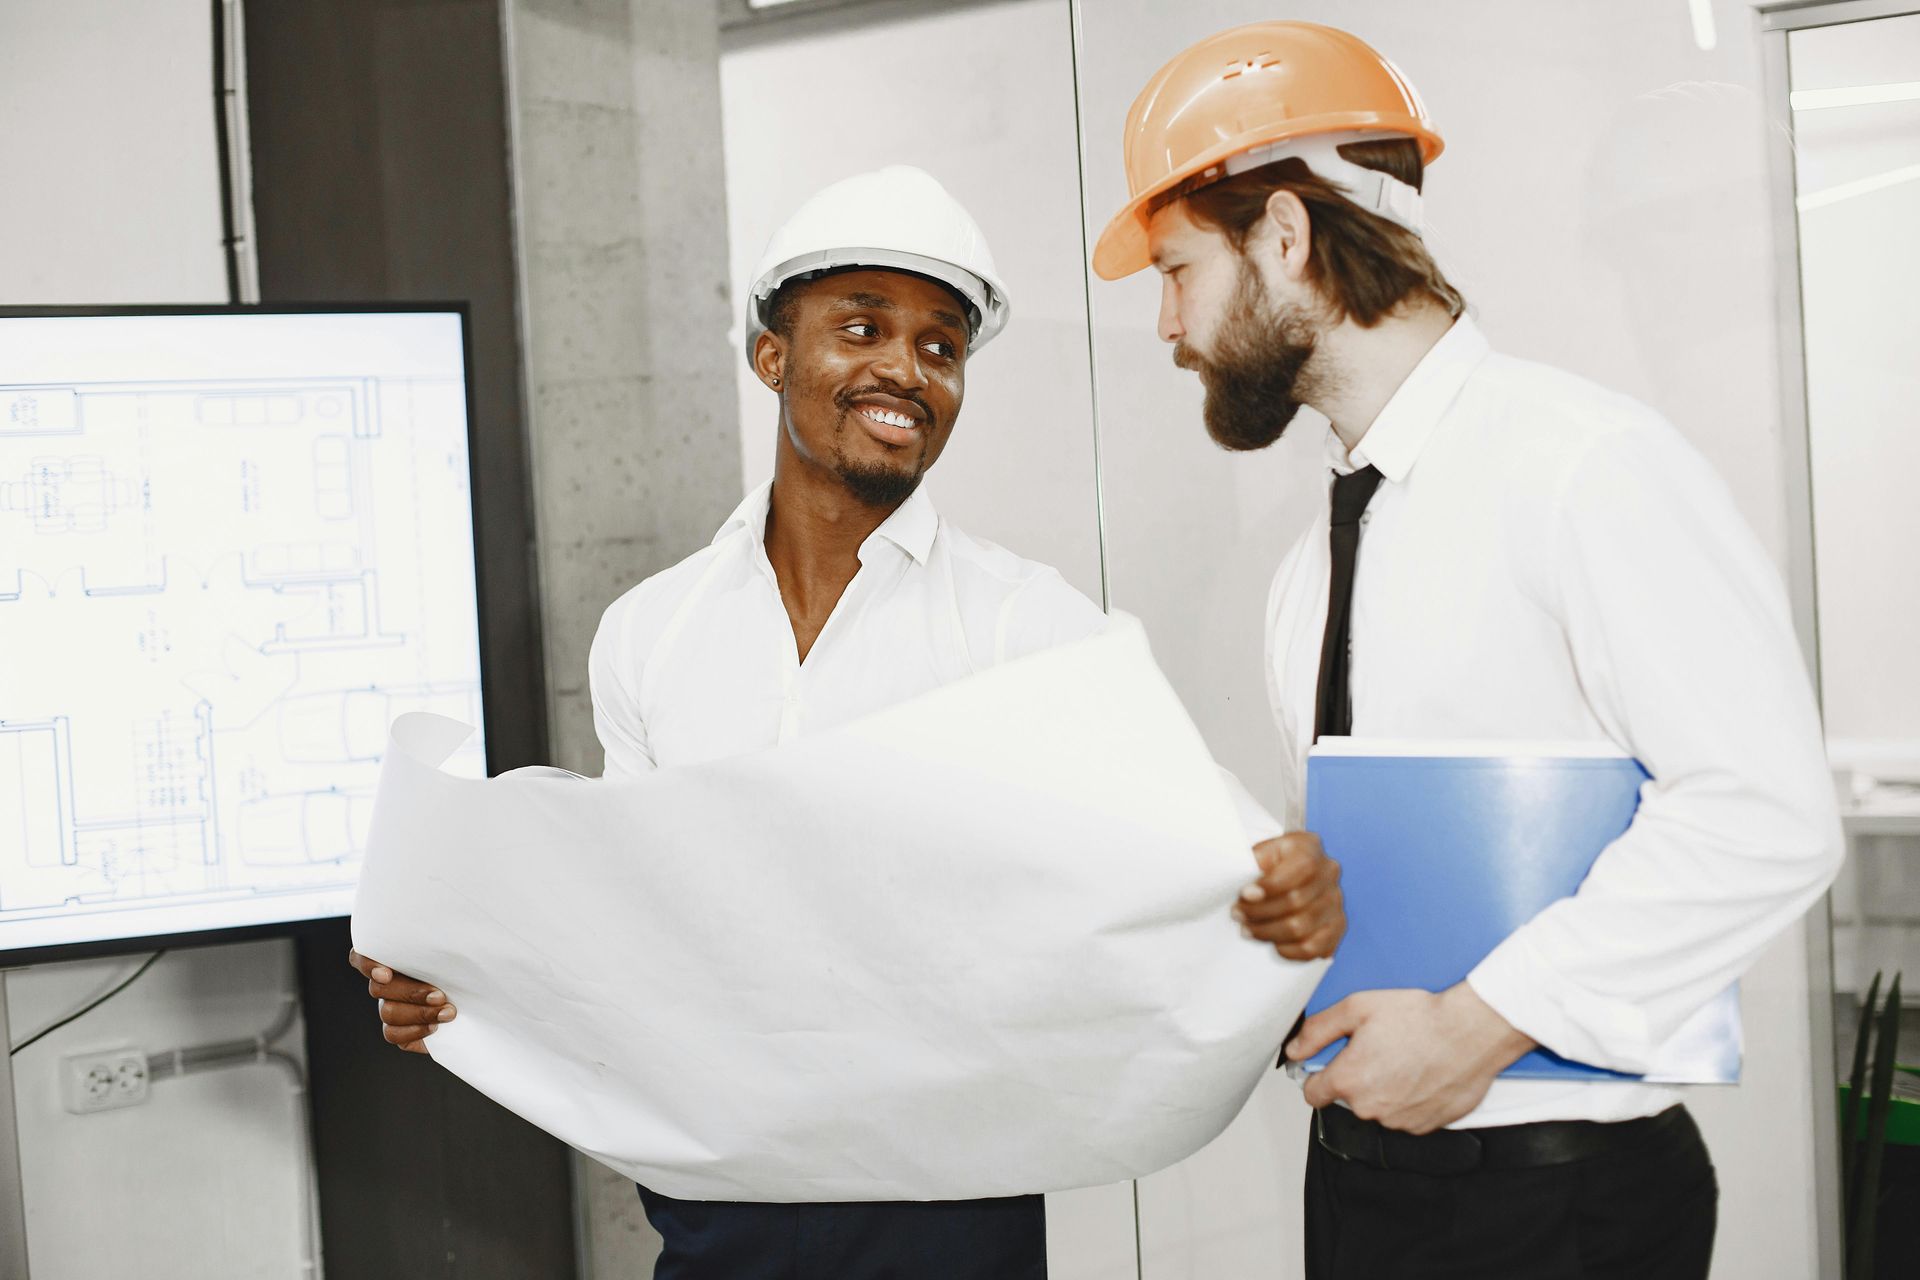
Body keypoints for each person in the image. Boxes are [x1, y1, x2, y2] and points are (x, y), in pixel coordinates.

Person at [349, 164, 1346, 1279]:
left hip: (952, 1222)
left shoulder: (1028, 624)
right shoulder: (653, 631)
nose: (905, 370)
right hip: (717, 1221)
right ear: (773, 354)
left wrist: (1279, 880)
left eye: (940, 346)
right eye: (862, 327)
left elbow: (1195, 848)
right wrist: (461, 974)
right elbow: (625, 918)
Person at [1091, 21, 1844, 1280]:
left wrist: (1479, 1027)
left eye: (1177, 270)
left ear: (1284, 235)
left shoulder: (1586, 469)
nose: (1167, 324)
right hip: (1363, 1186)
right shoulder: (1307, 567)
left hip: (1563, 1210)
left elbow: (1766, 811)